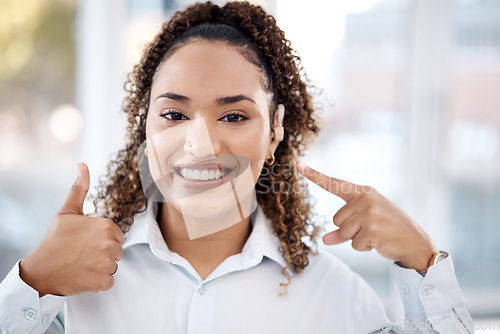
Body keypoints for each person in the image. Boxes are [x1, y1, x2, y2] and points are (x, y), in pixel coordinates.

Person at [0, 1, 473, 333]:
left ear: (275, 131)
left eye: (233, 115)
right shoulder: (66, 286)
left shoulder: (337, 297)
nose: (200, 143)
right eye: (174, 114)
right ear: (144, 126)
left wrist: (423, 261)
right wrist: (32, 281)